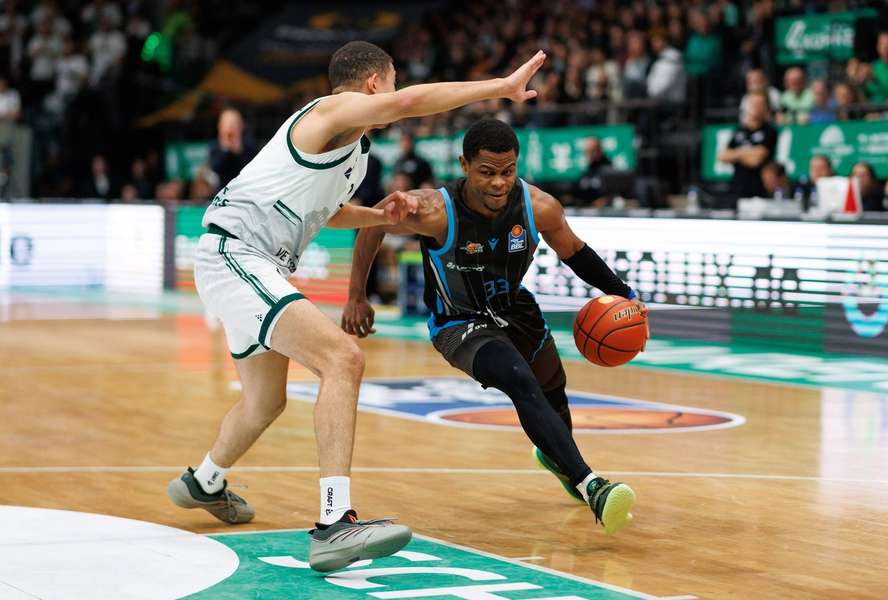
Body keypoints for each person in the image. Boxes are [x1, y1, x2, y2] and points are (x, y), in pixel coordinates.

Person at [166, 41, 547, 573]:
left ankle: (203, 481)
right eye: (392, 81)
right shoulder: (331, 111)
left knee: (264, 402)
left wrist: (378, 213)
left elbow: (327, 212)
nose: (394, 92)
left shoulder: (351, 150)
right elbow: (411, 103)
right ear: (374, 84)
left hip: (250, 264)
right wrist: (499, 89)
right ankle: (333, 523)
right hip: (237, 253)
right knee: (342, 359)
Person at [343, 119, 643, 535]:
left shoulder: (539, 207)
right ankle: (593, 486)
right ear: (465, 165)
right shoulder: (434, 210)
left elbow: (574, 251)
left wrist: (624, 293)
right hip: (459, 322)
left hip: (515, 309)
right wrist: (357, 295)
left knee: (553, 386)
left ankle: (558, 459)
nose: (499, 182)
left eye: (508, 171)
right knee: (519, 379)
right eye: (487, 172)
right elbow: (372, 223)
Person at [717, 91, 777, 203]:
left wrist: (736, 154)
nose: (755, 107)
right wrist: (748, 153)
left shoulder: (770, 131)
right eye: (752, 104)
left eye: (759, 104)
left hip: (758, 191)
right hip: (736, 189)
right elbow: (722, 156)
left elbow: (756, 160)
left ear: (766, 107)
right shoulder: (740, 130)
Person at [208, 107, 254, 189]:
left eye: (234, 123)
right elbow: (215, 168)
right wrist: (225, 148)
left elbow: (251, 170)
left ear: (242, 126)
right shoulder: (214, 146)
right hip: (222, 192)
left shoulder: (249, 146)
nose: (230, 127)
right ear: (220, 126)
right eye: (227, 123)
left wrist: (238, 150)